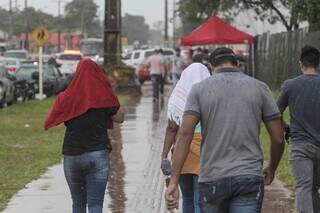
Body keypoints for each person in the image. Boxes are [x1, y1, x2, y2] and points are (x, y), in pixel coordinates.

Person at [165, 47, 285, 213]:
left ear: (212, 67)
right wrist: (272, 167)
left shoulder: (199, 90)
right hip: (248, 176)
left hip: (212, 177)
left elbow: (185, 135)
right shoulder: (260, 88)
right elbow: (278, 138)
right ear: (237, 64)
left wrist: (173, 181)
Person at [44, 59, 125, 213]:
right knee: (95, 205)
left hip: (72, 156)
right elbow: (120, 118)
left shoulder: (66, 97)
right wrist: (109, 92)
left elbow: (54, 115)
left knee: (78, 204)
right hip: (98, 155)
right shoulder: (103, 97)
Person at [161, 63, 210, 213]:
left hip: (181, 153)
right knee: (199, 200)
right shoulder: (211, 94)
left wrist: (164, 156)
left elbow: (171, 128)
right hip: (204, 150)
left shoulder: (179, 94)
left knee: (187, 198)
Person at [277, 45, 320, 213]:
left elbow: (275, 112)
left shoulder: (290, 85)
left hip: (300, 145)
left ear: (301, 64)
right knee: (314, 188)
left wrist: (284, 126)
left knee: (304, 187)